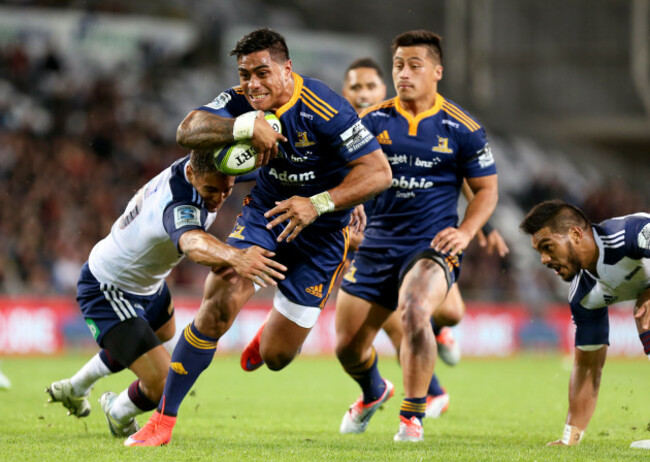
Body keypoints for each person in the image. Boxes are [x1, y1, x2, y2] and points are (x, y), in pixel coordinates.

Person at [125, 28, 391, 447]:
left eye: (262, 73)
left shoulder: (326, 109)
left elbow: (379, 173)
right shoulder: (242, 102)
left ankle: (270, 338)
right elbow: (187, 129)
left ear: (287, 69)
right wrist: (241, 127)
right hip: (267, 214)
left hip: (322, 235)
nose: (253, 83)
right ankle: (163, 421)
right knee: (222, 299)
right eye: (245, 74)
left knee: (277, 357)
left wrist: (318, 203)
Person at [46, 150, 285, 437]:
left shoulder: (206, 166)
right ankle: (118, 411)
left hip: (148, 283)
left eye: (227, 190)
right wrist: (236, 257)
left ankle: (75, 387)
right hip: (110, 289)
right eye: (211, 189)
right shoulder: (179, 204)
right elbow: (193, 244)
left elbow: (269, 167)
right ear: (192, 175)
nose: (219, 198)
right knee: (162, 382)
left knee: (157, 336)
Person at [335, 30, 499, 442]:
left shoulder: (463, 128)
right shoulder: (371, 122)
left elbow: (486, 190)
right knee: (348, 349)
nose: (403, 74)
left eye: (414, 66)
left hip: (431, 245)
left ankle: (412, 417)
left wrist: (466, 231)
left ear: (437, 72)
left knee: (413, 311)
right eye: (397, 66)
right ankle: (373, 392)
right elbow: (345, 172)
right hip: (375, 245)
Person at [519, 200, 650, 449]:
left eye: (548, 247)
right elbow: (588, 368)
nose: (545, 259)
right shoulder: (583, 296)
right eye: (539, 252)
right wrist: (569, 439)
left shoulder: (630, 234)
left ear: (576, 234)